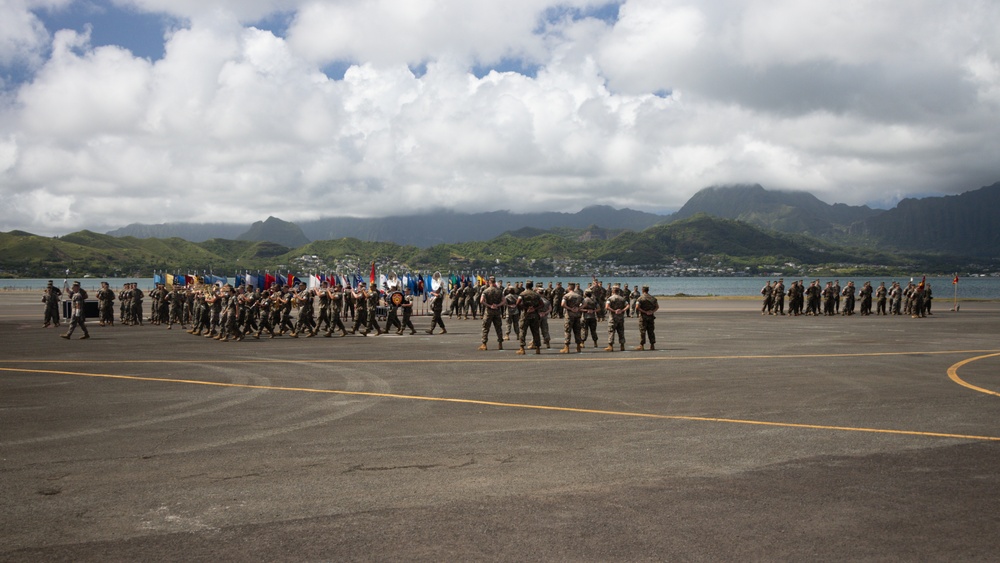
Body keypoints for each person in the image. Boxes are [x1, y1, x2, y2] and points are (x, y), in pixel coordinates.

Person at [515, 280, 543, 355]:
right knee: (536, 332)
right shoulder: (536, 294)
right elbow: (542, 304)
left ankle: (522, 348)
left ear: (526, 286)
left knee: (523, 331)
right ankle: (538, 348)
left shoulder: (523, 294)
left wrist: (525, 308)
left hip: (525, 314)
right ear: (532, 286)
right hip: (534, 315)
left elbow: (517, 303)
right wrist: (534, 308)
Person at [478, 276, 504, 350]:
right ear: (495, 282)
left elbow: (481, 301)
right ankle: (500, 343)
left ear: (489, 282)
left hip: (489, 312)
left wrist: (489, 306)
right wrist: (497, 305)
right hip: (497, 311)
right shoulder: (499, 291)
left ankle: (484, 344)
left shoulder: (486, 291)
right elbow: (504, 301)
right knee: (498, 328)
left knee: (485, 328)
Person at [560, 282, 584, 353]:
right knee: (577, 331)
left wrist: (570, 308)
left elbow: (562, 304)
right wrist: (579, 308)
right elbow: (585, 303)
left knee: (567, 331)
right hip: (577, 315)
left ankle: (566, 347)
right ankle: (578, 347)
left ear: (569, 287)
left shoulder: (566, 296)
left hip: (569, 315)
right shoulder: (579, 296)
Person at [604, 285, 628, 352]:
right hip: (620, 318)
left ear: (612, 291)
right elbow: (628, 305)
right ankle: (622, 345)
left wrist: (614, 311)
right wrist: (622, 310)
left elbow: (607, 307)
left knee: (611, 331)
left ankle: (610, 346)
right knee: (621, 332)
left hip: (613, 318)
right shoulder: (622, 298)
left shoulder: (610, 298)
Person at [634, 286, 658, 351]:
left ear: (642, 290)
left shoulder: (640, 298)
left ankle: (642, 345)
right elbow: (657, 307)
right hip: (650, 317)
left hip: (643, 317)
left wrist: (645, 312)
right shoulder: (653, 298)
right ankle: (652, 345)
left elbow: (637, 307)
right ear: (648, 290)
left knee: (642, 331)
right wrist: (652, 311)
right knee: (651, 331)